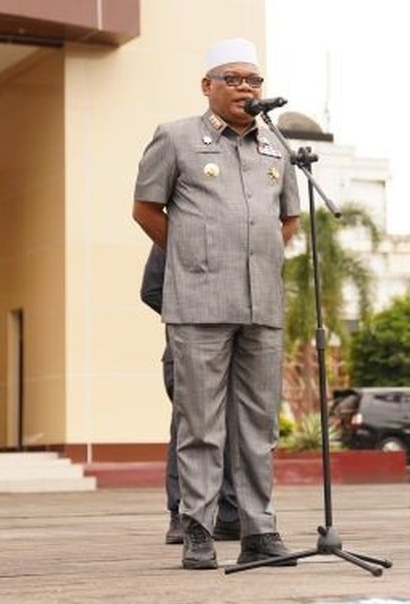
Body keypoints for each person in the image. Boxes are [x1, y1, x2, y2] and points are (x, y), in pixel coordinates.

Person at [132, 38, 300, 570]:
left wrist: (257, 253)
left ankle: (259, 529)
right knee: (200, 423)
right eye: (234, 79)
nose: (247, 89)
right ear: (208, 86)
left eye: (254, 81)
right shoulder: (176, 137)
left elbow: (288, 218)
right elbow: (145, 208)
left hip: (262, 306)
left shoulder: (276, 143)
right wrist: (192, 254)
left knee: (257, 425)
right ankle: (198, 527)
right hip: (199, 303)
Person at [140, 244, 241, 545]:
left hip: (235, 352)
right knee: (190, 428)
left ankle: (231, 514)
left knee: (234, 428)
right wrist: (194, 318)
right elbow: (151, 290)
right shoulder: (177, 231)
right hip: (186, 350)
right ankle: (182, 515)